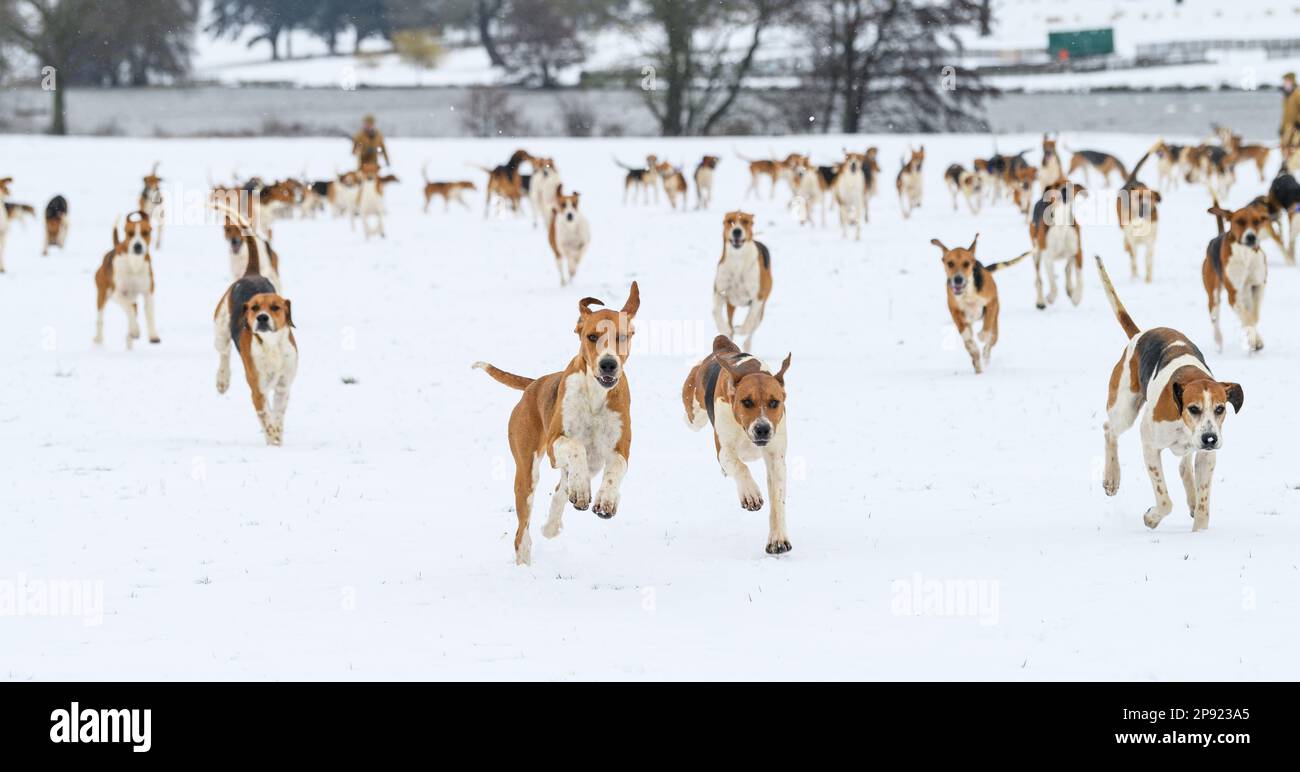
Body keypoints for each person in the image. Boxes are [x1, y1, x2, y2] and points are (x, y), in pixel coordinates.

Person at [1281, 72, 1300, 151]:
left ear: (1292, 81)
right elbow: (1285, 114)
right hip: (1288, 128)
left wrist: (1298, 122)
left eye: (1287, 81)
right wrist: (1282, 128)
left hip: (1296, 128)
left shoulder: (1297, 94)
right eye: (1285, 81)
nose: (1285, 83)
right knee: (1285, 148)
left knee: (1295, 149)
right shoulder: (1287, 96)